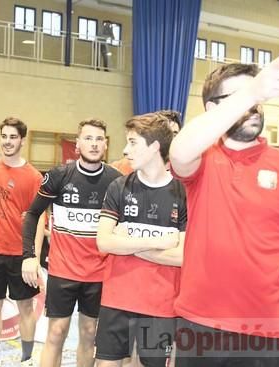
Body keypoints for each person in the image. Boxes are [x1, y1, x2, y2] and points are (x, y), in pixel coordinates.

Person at [169, 53, 279, 366]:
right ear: (212, 109)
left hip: (275, 332)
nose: (253, 107)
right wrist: (250, 93)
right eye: (239, 97)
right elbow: (179, 150)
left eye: (258, 98)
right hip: (202, 329)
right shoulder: (202, 158)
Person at [22, 118, 121, 367]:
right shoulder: (59, 175)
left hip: (98, 273)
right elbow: (33, 214)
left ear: (106, 145)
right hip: (62, 271)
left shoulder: (117, 181)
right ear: (77, 144)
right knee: (56, 332)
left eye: (99, 139)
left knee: (89, 334)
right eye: (88, 138)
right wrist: (29, 256)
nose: (94, 144)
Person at [95, 112, 186, 367]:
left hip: (160, 304)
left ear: (155, 146)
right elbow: (103, 242)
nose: (125, 149)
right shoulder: (118, 186)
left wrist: (126, 241)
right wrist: (159, 242)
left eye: (133, 142)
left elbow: (182, 257)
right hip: (116, 298)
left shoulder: (183, 193)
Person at [0, 117, 45, 367]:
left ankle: (26, 359)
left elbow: (39, 219)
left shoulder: (34, 176)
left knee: (25, 307)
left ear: (22, 140)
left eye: (13, 137)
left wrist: (33, 256)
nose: (7, 141)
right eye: (4, 136)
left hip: (19, 255)